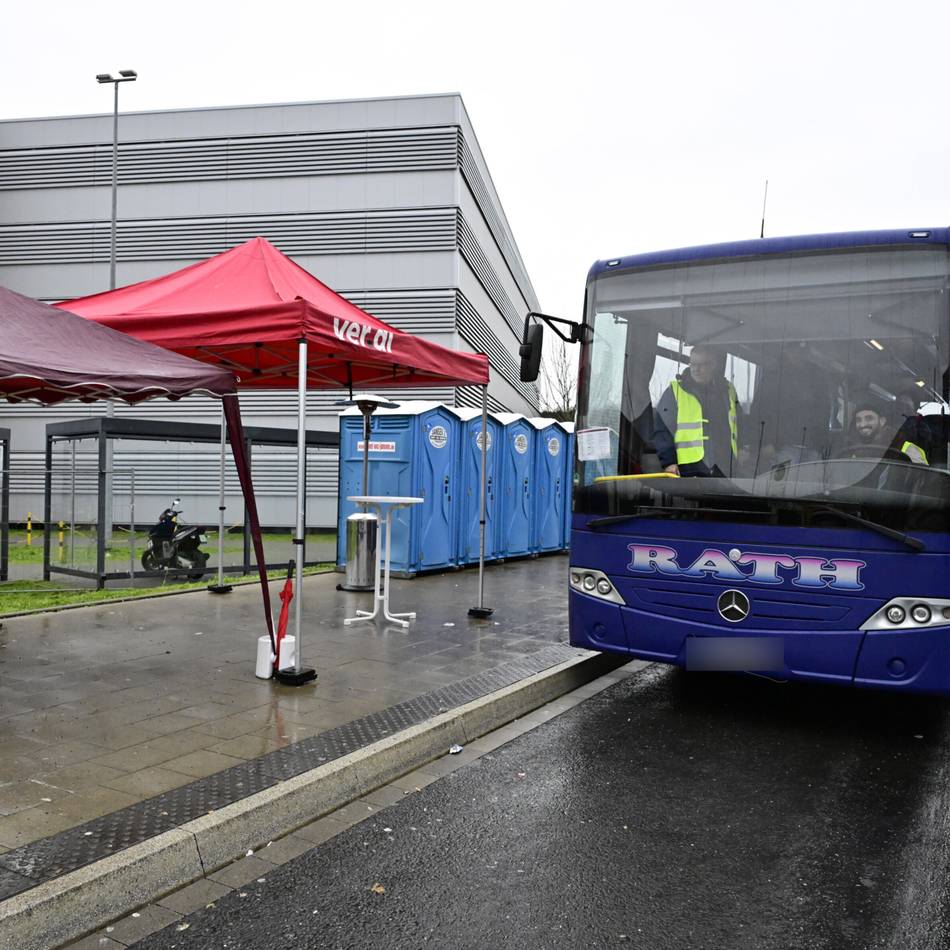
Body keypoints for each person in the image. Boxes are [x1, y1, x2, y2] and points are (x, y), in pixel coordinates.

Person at [654, 344, 739, 476]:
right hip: (689, 469)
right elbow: (662, 429)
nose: (696, 369)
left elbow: (740, 423)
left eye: (701, 365)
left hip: (725, 467)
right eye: (693, 364)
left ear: (713, 365)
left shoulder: (727, 391)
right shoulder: (676, 391)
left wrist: (745, 448)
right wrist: (669, 462)